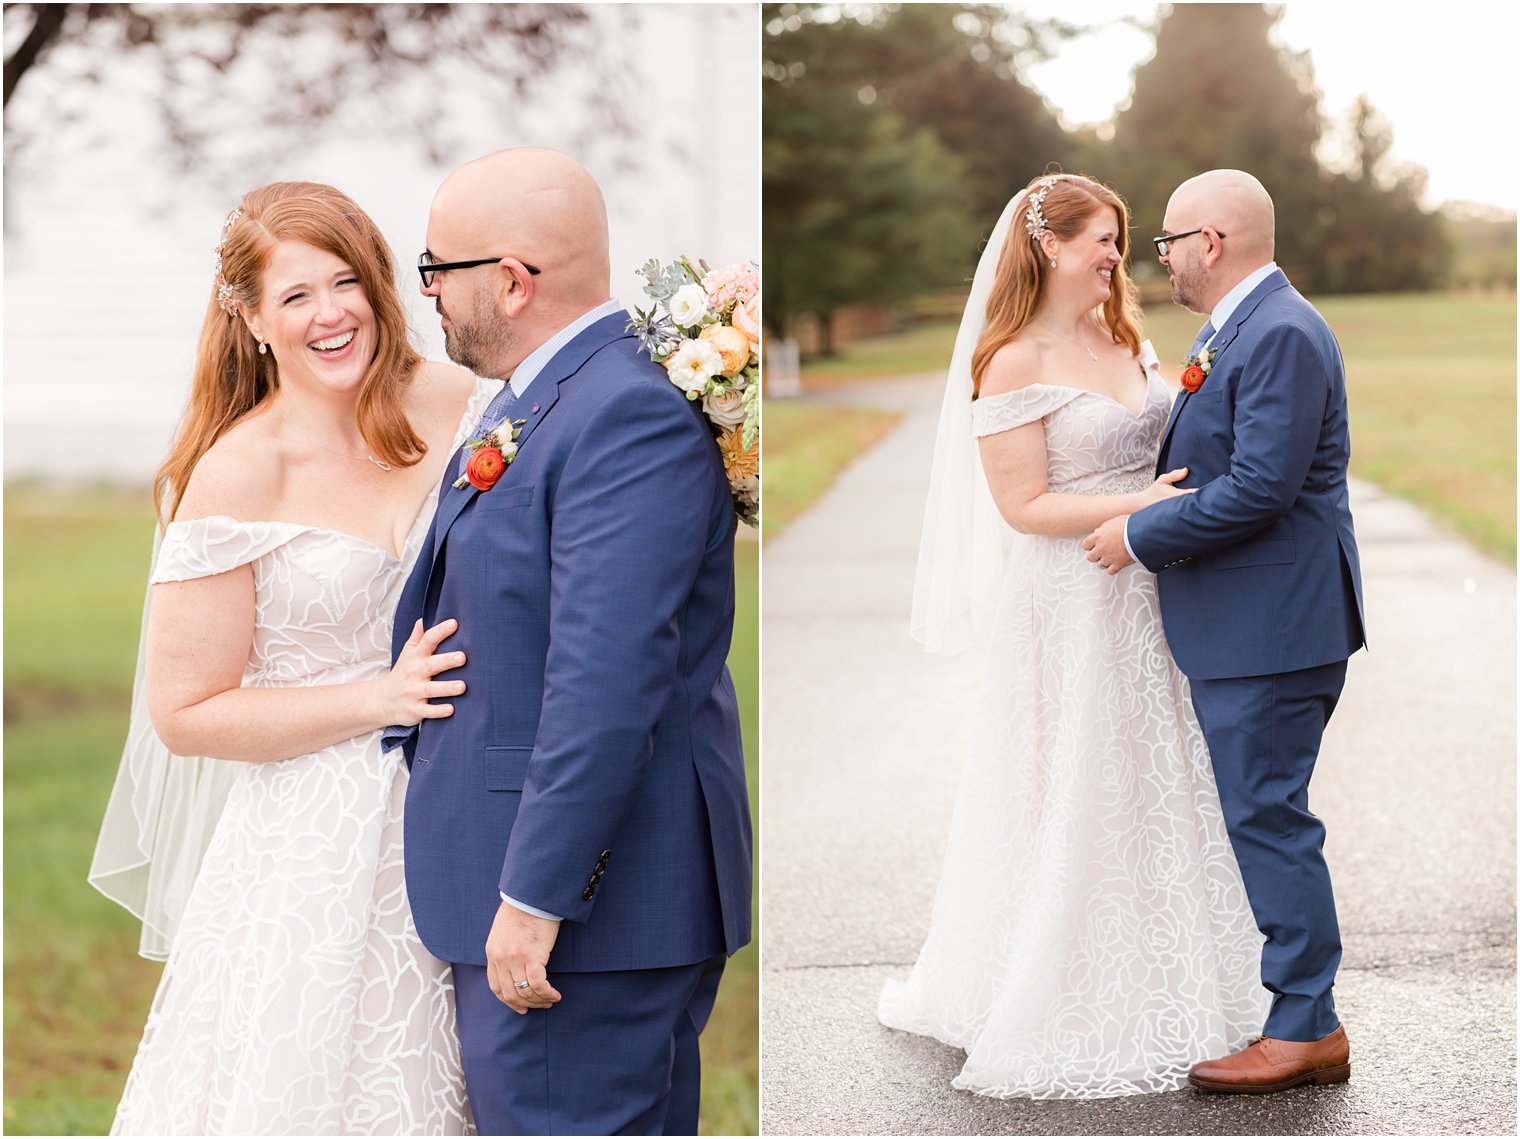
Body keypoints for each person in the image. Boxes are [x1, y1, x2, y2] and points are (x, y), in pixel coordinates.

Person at [90, 181, 493, 1133]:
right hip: (310, 849)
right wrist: (379, 697)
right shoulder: (237, 471)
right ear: (251, 317)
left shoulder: (455, 402)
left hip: (465, 807)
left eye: (347, 282)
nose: (331, 314)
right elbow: (186, 711)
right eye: (297, 295)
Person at [383, 148, 752, 1135]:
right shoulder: (549, 394)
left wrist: (536, 894)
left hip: (584, 910)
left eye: (436, 269)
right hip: (557, 894)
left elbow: (605, 677)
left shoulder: (620, 412)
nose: (427, 295)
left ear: (509, 279)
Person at [881, 173, 1268, 1099]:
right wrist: (1144, 506)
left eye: (1123, 241)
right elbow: (1023, 505)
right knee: (1080, 778)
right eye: (1101, 239)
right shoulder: (1011, 358)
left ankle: (1188, 970)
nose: (1117, 257)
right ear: (1048, 244)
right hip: (1074, 597)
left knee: (1161, 777)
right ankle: (1066, 976)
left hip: (1152, 590)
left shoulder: (1123, 333)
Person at [1083, 169, 1366, 1093]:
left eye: (1165, 241)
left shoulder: (1278, 330)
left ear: (1211, 241)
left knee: (1270, 818)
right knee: (1265, 812)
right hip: (1259, 620)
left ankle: (1304, 1027)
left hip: (1274, 626)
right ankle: (1301, 1015)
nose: (1156, 258)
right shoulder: (1244, 326)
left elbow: (1260, 487)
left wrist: (1136, 533)